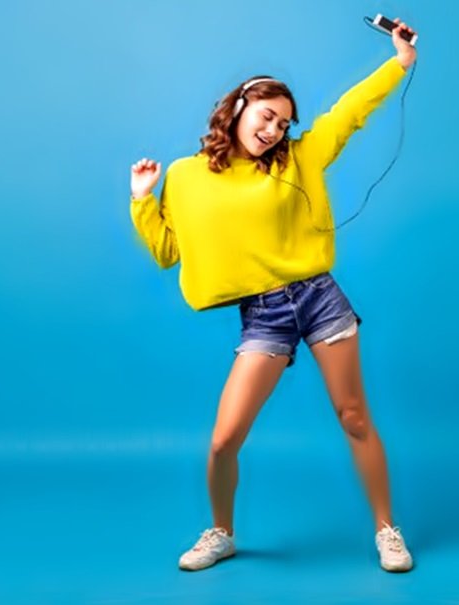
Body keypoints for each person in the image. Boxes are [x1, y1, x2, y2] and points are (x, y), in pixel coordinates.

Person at [129, 18, 418, 572]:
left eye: (284, 123)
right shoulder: (186, 178)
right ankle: (221, 532)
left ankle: (387, 530)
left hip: (318, 298)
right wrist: (143, 199)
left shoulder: (298, 160)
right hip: (263, 314)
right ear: (239, 107)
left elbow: (347, 113)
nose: (274, 130)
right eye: (267, 116)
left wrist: (398, 63)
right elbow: (169, 251)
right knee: (224, 440)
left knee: (354, 416)